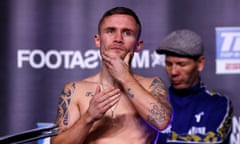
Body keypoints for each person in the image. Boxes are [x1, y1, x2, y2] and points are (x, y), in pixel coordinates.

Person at [51, 7, 172, 144]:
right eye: (110, 31)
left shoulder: (151, 85)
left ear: (138, 45)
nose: (118, 39)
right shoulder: (75, 90)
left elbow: (162, 122)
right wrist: (88, 117)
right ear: (98, 40)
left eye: (127, 33)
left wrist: (124, 77)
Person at [155, 29, 233, 144]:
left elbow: (215, 141)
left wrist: (158, 139)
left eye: (181, 64)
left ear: (200, 64)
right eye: (169, 64)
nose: (174, 72)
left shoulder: (219, 104)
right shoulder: (155, 101)